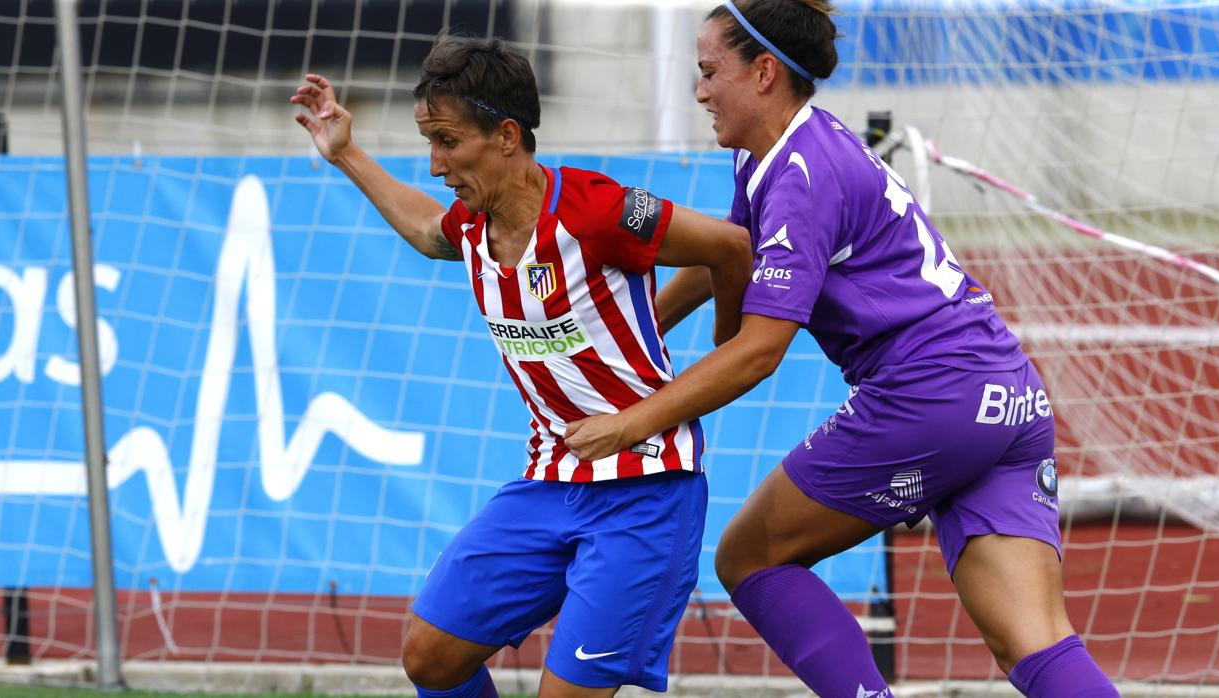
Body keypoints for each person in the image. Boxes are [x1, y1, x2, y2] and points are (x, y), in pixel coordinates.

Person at [563, 1, 1120, 696]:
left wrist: (633, 420)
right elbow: (728, 256)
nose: (700, 90)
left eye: (710, 72)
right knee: (1032, 643)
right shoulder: (784, 150)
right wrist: (628, 330)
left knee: (749, 557)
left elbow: (759, 351)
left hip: (928, 395)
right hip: (1004, 391)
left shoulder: (801, 173)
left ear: (764, 72)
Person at [291, 34, 753, 698]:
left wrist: (725, 344)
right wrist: (345, 154)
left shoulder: (600, 209)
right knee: (431, 657)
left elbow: (731, 247)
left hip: (645, 495)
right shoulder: (475, 226)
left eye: (447, 142)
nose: (434, 164)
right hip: (550, 482)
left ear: (507, 135)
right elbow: (427, 230)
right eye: (429, 141)